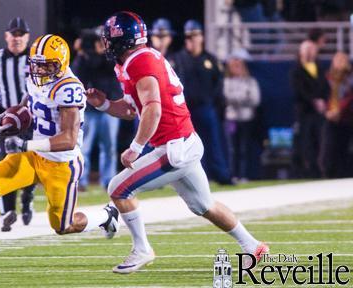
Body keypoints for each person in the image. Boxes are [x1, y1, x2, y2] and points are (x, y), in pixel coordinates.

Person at [86, 11, 268, 274]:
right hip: (182, 142)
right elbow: (130, 110)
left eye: (108, 39)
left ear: (122, 40)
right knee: (204, 206)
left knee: (119, 188)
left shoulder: (140, 61)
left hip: (175, 147)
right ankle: (253, 246)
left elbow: (153, 110)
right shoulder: (130, 62)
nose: (105, 44)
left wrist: (136, 147)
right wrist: (103, 104)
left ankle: (142, 249)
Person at [0, 34, 119, 273]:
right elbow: (27, 104)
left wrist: (25, 145)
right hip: (33, 157)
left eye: (46, 65)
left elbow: (69, 140)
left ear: (61, 63)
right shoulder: (35, 77)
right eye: (36, 64)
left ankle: (106, 215)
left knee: (63, 225)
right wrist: (12, 117)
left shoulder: (69, 87)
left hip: (62, 164)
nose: (40, 70)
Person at [0, 17, 35, 231]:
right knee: (4, 163)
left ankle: (27, 197)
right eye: (14, 34)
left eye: (21, 34)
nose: (17, 38)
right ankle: (7, 211)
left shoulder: (35, 58)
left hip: (30, 119)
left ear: (27, 36)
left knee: (29, 163)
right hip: (4, 118)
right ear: (6, 36)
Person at [172, 19, 233, 185]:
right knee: (187, 148)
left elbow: (218, 84)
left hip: (206, 108)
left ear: (201, 36)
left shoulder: (211, 60)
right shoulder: (177, 59)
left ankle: (222, 175)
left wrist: (213, 102)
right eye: (189, 36)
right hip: (185, 111)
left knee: (213, 143)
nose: (191, 39)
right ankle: (195, 180)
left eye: (195, 35)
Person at [72, 28, 121, 191]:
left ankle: (108, 180)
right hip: (91, 109)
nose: (101, 43)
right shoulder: (87, 57)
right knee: (84, 146)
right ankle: (81, 180)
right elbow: (78, 75)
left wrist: (103, 52)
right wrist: (81, 53)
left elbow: (111, 68)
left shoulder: (113, 56)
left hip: (110, 107)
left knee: (109, 147)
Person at [290, 40, 329, 178]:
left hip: (318, 112)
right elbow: (299, 90)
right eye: (306, 49)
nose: (309, 51)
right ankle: (304, 171)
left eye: (312, 48)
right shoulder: (297, 70)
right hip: (304, 111)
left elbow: (325, 87)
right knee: (305, 141)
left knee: (319, 140)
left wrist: (323, 101)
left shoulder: (320, 68)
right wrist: (314, 101)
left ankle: (318, 169)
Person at [224, 51, 260, 181]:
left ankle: (244, 175)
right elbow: (226, 97)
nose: (237, 68)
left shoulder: (250, 81)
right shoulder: (227, 81)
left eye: (239, 65)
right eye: (234, 66)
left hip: (246, 119)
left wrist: (238, 100)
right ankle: (233, 175)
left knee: (245, 148)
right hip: (232, 119)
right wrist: (243, 98)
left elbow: (255, 99)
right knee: (233, 149)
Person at [319, 52, 353, 178]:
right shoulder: (327, 78)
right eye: (336, 60)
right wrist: (327, 111)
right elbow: (323, 96)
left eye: (341, 60)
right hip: (330, 119)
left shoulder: (350, 80)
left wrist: (340, 110)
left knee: (344, 151)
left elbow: (350, 98)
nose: (339, 62)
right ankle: (328, 176)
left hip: (347, 119)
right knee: (328, 152)